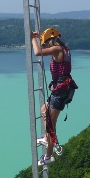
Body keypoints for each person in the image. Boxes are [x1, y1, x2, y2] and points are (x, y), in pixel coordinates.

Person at [31, 28, 77, 166]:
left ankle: (49, 155)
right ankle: (46, 138)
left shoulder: (57, 49)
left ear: (50, 41)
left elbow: (38, 52)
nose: (45, 47)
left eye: (45, 44)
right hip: (61, 88)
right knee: (44, 110)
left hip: (60, 90)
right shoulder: (63, 48)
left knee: (51, 125)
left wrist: (32, 38)